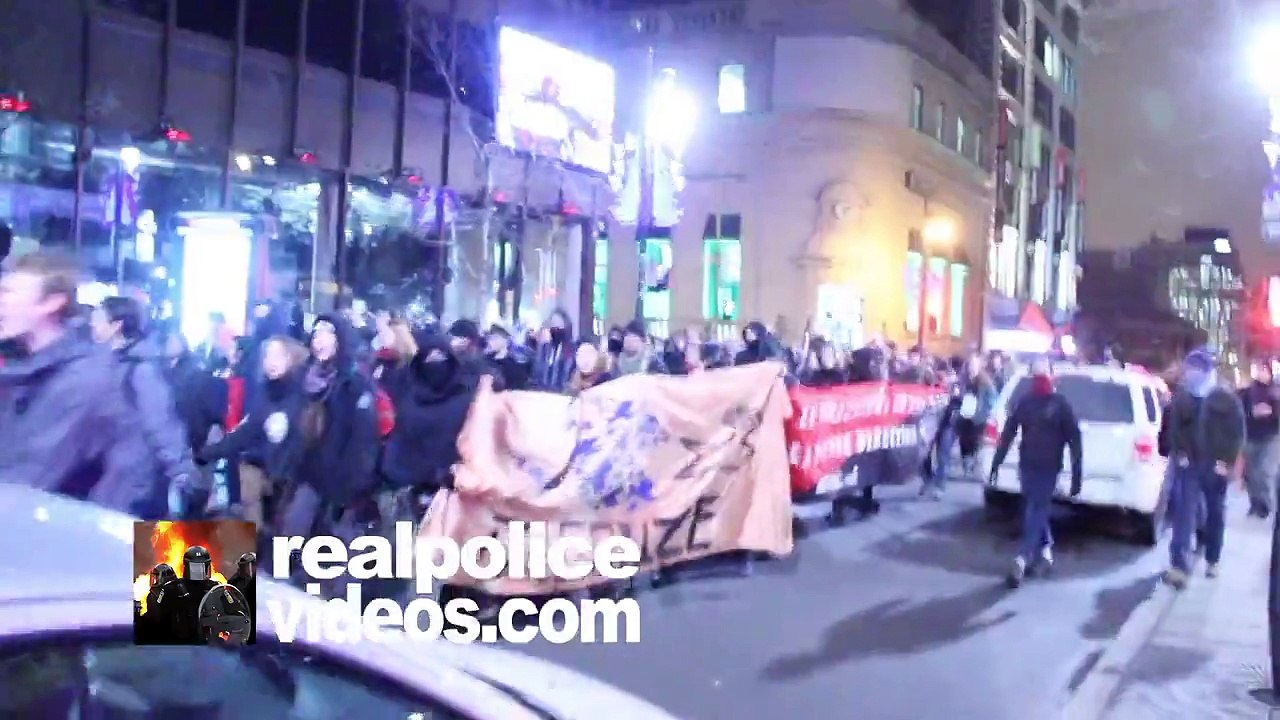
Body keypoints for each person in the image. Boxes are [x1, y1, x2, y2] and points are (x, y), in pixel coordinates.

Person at [0, 251, 162, 517]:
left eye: (10, 293)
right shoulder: (27, 369)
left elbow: (29, 475)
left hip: (71, 538)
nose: (2, 302)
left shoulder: (81, 378)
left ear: (51, 302)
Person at [91, 296, 202, 517]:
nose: (92, 325)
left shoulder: (141, 369)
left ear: (116, 325)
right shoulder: (106, 362)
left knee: (133, 546)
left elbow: (160, 422)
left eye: (98, 320)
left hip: (129, 479)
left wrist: (181, 471)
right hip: (104, 475)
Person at [989, 359, 1083, 588]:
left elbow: (1074, 440)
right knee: (1035, 510)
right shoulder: (1036, 403)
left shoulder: (1054, 404)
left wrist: (997, 463)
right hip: (1033, 466)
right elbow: (1009, 433)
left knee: (1034, 509)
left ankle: (1022, 558)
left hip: (1043, 468)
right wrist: (996, 462)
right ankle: (1045, 551)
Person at [1163, 349, 1246, 588]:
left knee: (1215, 513)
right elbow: (1175, 429)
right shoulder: (1183, 397)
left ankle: (1212, 559)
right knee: (1183, 513)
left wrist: (1226, 462)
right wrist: (1179, 453)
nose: (1191, 374)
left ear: (1207, 371)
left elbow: (1237, 433)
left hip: (1215, 465)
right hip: (1189, 463)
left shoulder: (1225, 398)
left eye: (1196, 369)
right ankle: (1179, 565)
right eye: (1189, 369)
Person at [1239, 360, 1280, 519]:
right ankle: (1255, 503)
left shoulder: (1276, 391)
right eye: (1259, 369)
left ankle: (1266, 504)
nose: (1262, 373)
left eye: (1264, 370)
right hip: (1251, 435)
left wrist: (1271, 412)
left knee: (1264, 471)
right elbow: (1240, 410)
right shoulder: (1248, 391)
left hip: (1271, 436)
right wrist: (1252, 412)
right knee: (1250, 473)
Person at [531, 309, 575, 391]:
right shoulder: (544, 348)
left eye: (559, 323)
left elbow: (571, 376)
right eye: (553, 323)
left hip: (563, 395)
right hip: (543, 395)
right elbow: (537, 373)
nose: (555, 326)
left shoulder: (571, 350)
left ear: (566, 325)